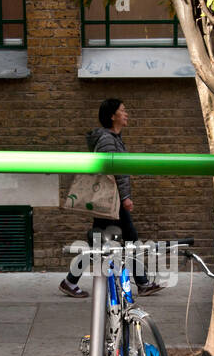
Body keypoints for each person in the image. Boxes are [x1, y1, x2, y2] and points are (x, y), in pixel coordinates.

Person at [60, 98, 161, 298]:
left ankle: (70, 281)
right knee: (130, 238)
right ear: (112, 116)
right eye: (123, 111)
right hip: (111, 200)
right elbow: (113, 173)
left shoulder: (113, 138)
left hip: (110, 201)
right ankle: (142, 283)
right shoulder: (107, 140)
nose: (126, 114)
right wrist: (125, 198)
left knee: (97, 243)